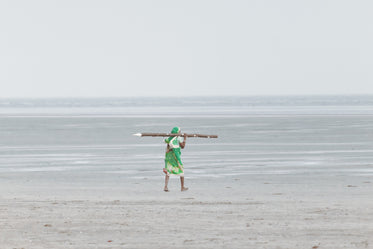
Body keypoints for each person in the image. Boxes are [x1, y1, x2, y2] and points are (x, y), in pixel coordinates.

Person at [163, 127, 188, 192]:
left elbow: (168, 147)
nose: (180, 133)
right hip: (175, 157)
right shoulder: (178, 138)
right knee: (181, 170)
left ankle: (165, 186)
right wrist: (185, 138)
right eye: (179, 132)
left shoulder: (169, 139)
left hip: (169, 157)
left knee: (168, 170)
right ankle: (182, 187)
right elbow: (183, 146)